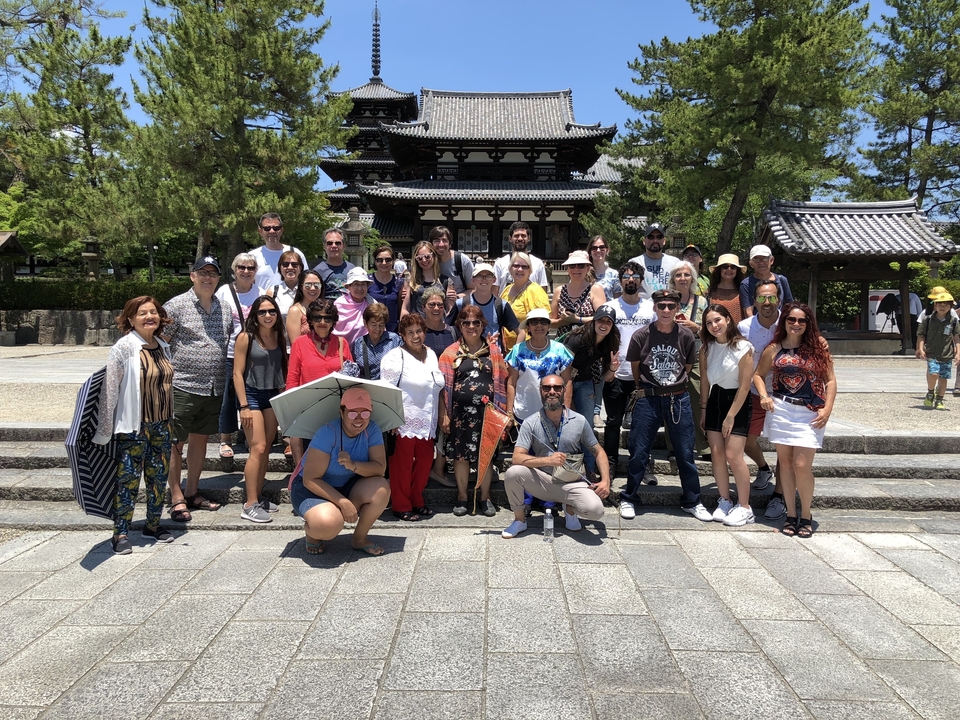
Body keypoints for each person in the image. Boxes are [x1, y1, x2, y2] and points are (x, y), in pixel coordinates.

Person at [93, 296, 176, 554]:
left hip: (162, 423)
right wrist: (105, 429)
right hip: (134, 425)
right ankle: (120, 533)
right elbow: (110, 389)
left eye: (153, 312)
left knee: (158, 477)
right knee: (128, 479)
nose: (149, 317)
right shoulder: (124, 347)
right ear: (130, 319)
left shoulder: (163, 345)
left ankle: (153, 524)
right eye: (142, 313)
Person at [620, 289, 711, 522]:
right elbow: (636, 367)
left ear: (677, 308)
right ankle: (629, 497)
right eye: (662, 306)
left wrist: (671, 385)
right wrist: (649, 387)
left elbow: (687, 366)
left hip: (678, 398)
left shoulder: (686, 336)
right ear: (655, 308)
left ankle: (692, 500)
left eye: (671, 306)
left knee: (684, 452)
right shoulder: (641, 335)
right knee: (639, 451)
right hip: (648, 397)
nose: (666, 310)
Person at [753, 302, 837, 538]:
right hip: (781, 410)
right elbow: (758, 375)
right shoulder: (774, 348)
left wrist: (828, 409)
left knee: (802, 466)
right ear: (785, 322)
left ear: (808, 323)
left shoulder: (818, 346)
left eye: (802, 320)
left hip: (810, 411)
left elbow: (830, 381)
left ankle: (806, 514)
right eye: (792, 320)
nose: (796, 324)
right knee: (786, 465)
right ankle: (791, 514)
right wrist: (763, 395)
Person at [162, 256, 232, 520]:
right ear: (192, 276)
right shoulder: (176, 306)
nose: (208, 277)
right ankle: (176, 496)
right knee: (175, 443)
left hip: (213, 386)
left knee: (200, 440)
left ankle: (192, 491)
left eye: (213, 273)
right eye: (202, 272)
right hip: (182, 384)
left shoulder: (224, 308)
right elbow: (162, 342)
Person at [500, 375, 612, 538]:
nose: (552, 392)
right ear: (540, 391)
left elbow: (599, 451)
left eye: (557, 388)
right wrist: (548, 460)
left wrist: (605, 481)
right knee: (513, 473)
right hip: (543, 481)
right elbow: (517, 458)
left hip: (571, 482)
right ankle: (519, 520)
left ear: (564, 390)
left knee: (596, 511)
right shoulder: (531, 422)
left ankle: (570, 509)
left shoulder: (579, 420)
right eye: (547, 388)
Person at [291, 387, 390, 556]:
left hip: (347, 483)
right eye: (352, 413)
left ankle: (359, 539)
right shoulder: (327, 432)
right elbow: (311, 479)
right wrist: (343, 502)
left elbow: (380, 468)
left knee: (382, 488)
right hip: (312, 488)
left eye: (365, 413)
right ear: (342, 413)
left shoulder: (372, 430)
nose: (359, 419)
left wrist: (353, 465)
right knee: (328, 524)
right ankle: (313, 532)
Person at [438, 306, 512, 517]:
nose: (471, 326)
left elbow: (503, 382)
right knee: (460, 457)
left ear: (482, 325)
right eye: (466, 322)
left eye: (476, 322)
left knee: (486, 456)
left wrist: (505, 412)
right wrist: (444, 414)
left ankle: (485, 496)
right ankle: (462, 496)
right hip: (460, 416)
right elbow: (441, 388)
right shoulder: (450, 353)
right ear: (459, 325)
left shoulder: (494, 351)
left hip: (487, 414)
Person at [380, 313, 445, 522]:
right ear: (402, 335)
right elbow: (387, 390)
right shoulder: (394, 357)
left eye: (419, 331)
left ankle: (417, 500)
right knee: (402, 465)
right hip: (403, 421)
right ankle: (401, 505)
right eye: (410, 332)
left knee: (425, 463)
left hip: (428, 421)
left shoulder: (432, 354)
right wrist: (392, 418)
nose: (416, 336)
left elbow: (438, 388)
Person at [699, 304, 755, 526]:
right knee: (717, 453)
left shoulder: (744, 347)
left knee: (733, 455)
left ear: (728, 320)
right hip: (715, 401)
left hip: (737, 403)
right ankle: (725, 499)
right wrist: (703, 409)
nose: (714, 326)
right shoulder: (706, 348)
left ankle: (745, 507)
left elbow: (744, 386)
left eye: (718, 320)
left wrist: (731, 415)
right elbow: (704, 380)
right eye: (709, 322)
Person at [234, 296, 287, 524]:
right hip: (252, 395)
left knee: (266, 449)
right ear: (254, 314)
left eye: (272, 311)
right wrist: (244, 405)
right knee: (258, 447)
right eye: (263, 312)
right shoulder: (246, 338)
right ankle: (249, 503)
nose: (268, 315)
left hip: (272, 394)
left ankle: (258, 495)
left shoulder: (278, 336)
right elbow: (237, 373)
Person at [599, 262, 654, 474]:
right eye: (626, 276)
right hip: (616, 374)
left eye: (635, 276)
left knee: (643, 424)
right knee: (613, 422)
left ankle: (642, 463)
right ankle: (610, 464)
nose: (630, 280)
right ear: (620, 280)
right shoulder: (610, 307)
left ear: (641, 280)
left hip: (643, 376)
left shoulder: (650, 307)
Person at [287, 299, 354, 466]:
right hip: (309, 409)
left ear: (333, 321)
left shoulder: (342, 343)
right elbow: (293, 378)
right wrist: (291, 409)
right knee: (311, 458)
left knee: (334, 458)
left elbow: (352, 378)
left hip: (336, 409)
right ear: (310, 320)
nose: (322, 322)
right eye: (317, 318)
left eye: (327, 318)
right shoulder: (300, 343)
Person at [737, 280, 784, 519]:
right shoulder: (744, 327)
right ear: (754, 301)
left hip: (786, 395)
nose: (767, 303)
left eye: (772, 298)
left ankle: (781, 496)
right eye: (762, 298)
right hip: (754, 392)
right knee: (747, 441)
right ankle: (765, 469)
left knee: (785, 449)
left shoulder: (789, 324)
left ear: (779, 299)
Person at [562, 305, 620, 481]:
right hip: (565, 381)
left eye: (608, 322)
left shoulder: (611, 342)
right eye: (601, 320)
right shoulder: (577, 338)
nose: (604, 324)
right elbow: (563, 366)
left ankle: (588, 467)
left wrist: (612, 368)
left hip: (585, 381)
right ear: (594, 320)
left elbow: (607, 377)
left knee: (587, 425)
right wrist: (567, 397)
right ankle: (566, 466)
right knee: (566, 423)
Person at [214, 253, 263, 459]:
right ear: (234, 270)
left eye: (250, 268)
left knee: (251, 394)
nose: (246, 271)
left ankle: (248, 434)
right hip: (229, 351)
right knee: (228, 396)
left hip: (254, 352)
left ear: (255, 271)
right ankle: (225, 438)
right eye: (241, 267)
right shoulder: (224, 292)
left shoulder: (261, 292)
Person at [667, 260, 709, 459]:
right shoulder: (666, 300)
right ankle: (674, 446)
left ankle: (703, 445)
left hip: (697, 352)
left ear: (692, 277)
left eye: (686, 274)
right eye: (678, 275)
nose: (682, 278)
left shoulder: (701, 302)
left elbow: (711, 331)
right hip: (671, 356)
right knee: (671, 399)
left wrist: (696, 327)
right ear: (672, 279)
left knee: (699, 397)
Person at [445, 263, 520, 352]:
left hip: (493, 357)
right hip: (466, 357)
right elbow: (447, 329)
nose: (484, 280)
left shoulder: (501, 305)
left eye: (488, 276)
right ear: (473, 279)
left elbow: (521, 332)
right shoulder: (461, 304)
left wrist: (513, 356)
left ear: (494, 279)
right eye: (479, 276)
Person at [917, 290, 960, 411]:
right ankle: (930, 393)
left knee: (943, 378)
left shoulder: (953, 321)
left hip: (947, 353)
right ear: (935, 305)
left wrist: (958, 353)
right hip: (932, 352)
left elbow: (956, 337)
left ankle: (940, 399)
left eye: (946, 304)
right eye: (940, 304)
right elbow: (921, 335)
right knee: (933, 373)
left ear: (951, 307)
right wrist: (920, 348)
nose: (942, 307)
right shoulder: (928, 319)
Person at [500, 252, 551, 352]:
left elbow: (541, 323)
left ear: (530, 271)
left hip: (527, 350)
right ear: (510, 268)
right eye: (516, 266)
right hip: (505, 349)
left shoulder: (534, 290)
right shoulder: (507, 290)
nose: (520, 269)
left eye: (524, 267)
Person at [551, 250, 606, 335]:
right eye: (572, 266)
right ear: (568, 269)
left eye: (581, 266)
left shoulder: (595, 289)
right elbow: (551, 322)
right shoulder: (559, 291)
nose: (576, 269)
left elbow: (603, 318)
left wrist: (577, 319)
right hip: (563, 343)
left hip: (587, 342)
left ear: (587, 268)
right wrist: (562, 321)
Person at [249, 213, 308, 291]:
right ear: (260, 231)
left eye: (276, 228)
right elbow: (248, 284)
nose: (272, 231)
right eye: (267, 228)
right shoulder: (252, 256)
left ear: (282, 230)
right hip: (263, 302)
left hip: (291, 301)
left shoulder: (295, 253)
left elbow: (306, 280)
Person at [492, 221, 550, 294]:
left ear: (528, 238)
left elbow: (542, 292)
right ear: (510, 238)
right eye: (516, 236)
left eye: (523, 235)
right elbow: (494, 293)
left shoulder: (538, 263)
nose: (520, 239)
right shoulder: (500, 263)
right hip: (506, 304)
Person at [628, 223, 680, 299]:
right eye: (651, 237)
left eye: (659, 237)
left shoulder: (675, 262)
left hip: (668, 307)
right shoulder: (634, 263)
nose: (655, 240)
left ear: (664, 241)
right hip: (643, 309)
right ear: (644, 241)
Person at [402, 240, 452, 318]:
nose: (424, 260)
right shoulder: (411, 281)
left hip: (438, 326)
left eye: (427, 256)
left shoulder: (446, 281)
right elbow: (405, 308)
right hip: (416, 326)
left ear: (434, 256)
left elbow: (449, 310)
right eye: (420, 258)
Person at [351, 304, 401, 381]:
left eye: (381, 325)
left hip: (389, 387)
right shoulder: (358, 343)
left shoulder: (394, 340)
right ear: (365, 323)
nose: (378, 329)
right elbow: (354, 368)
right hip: (367, 388)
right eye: (373, 324)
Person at [739, 245, 793, 317]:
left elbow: (789, 306)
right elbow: (748, 312)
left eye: (764, 258)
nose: (761, 262)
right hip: (758, 326)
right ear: (751, 264)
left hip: (779, 325)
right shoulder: (746, 284)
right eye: (756, 259)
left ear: (771, 260)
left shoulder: (782, 280)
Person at [334, 267, 376, 346]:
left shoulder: (371, 304)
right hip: (341, 349)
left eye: (363, 284)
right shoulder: (339, 305)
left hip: (366, 352)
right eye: (356, 284)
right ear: (349, 287)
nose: (360, 288)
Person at [368, 245, 404, 333]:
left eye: (388, 260)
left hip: (393, 331)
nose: (384, 263)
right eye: (379, 260)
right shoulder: (367, 281)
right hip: (372, 330)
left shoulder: (399, 283)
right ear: (375, 262)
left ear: (393, 262)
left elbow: (401, 307)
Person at [430, 225, 474, 297]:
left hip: (458, 303)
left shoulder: (462, 260)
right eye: (437, 241)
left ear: (450, 244)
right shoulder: (427, 260)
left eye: (444, 240)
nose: (441, 244)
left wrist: (456, 297)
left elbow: (473, 289)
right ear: (431, 244)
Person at [312, 227, 356, 298]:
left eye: (338, 243)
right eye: (329, 243)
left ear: (344, 246)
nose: (334, 246)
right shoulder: (317, 271)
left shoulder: (352, 269)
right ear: (324, 246)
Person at [285, 270, 325, 345]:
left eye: (317, 285)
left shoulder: (325, 308)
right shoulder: (295, 311)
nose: (313, 288)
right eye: (308, 285)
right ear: (301, 287)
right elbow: (296, 344)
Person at [707, 253, 747, 323]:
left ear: (737, 270)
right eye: (725, 267)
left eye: (733, 267)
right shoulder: (709, 292)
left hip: (739, 333)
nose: (729, 269)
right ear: (719, 270)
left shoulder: (743, 290)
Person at [421, 286, 459, 357]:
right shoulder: (418, 333)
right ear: (423, 307)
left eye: (440, 305)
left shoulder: (453, 332)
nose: (436, 308)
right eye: (431, 305)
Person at [267, 249, 303, 321]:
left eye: (294, 265)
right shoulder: (272, 292)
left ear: (300, 268)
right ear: (280, 268)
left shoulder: (307, 290)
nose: (290, 267)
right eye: (285, 264)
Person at [587, 235, 622, 302]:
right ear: (590, 252)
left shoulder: (614, 274)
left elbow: (617, 299)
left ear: (607, 250)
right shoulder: (583, 272)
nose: (598, 250)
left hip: (608, 311)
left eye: (602, 247)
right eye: (594, 248)